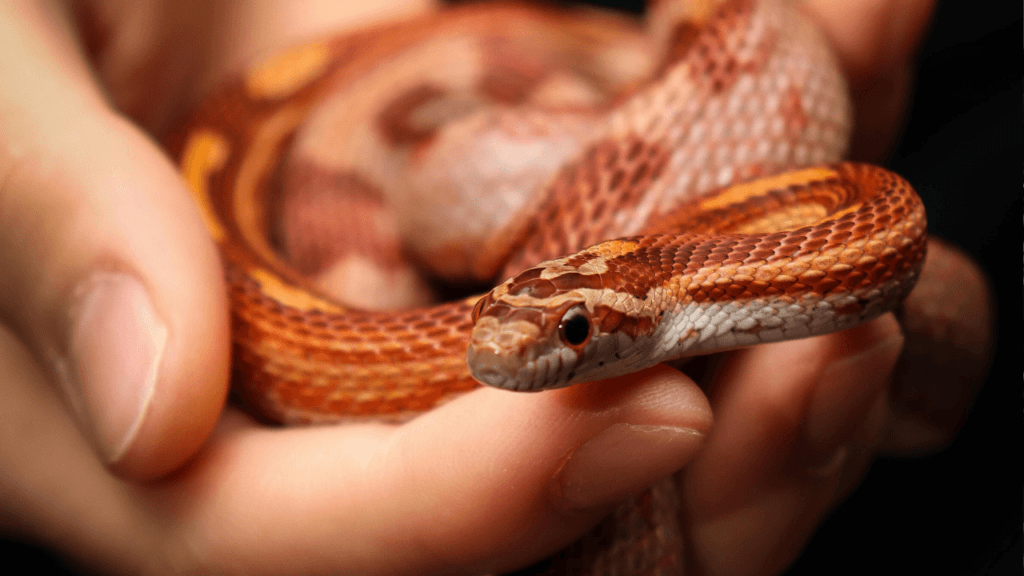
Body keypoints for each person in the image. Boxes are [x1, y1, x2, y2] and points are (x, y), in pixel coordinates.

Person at [0, 1, 988, 574]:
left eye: (563, 331)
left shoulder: (842, 226)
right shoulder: (630, 272)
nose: (490, 350)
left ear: (622, 319)